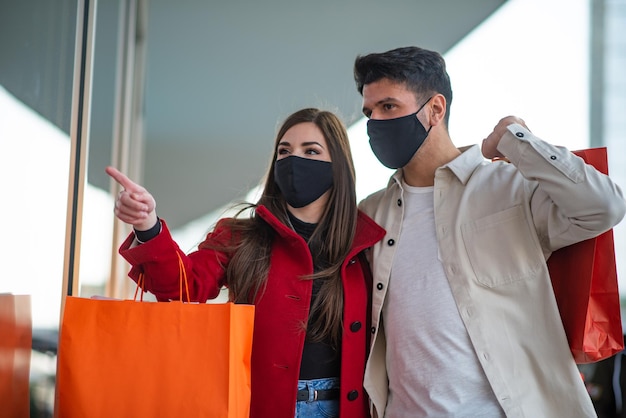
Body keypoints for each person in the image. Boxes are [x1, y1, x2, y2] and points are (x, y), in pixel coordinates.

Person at [352, 46, 626, 417]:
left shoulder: (508, 187)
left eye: (388, 107)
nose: (375, 123)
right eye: (369, 112)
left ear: (435, 109)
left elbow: (604, 207)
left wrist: (517, 140)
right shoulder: (370, 213)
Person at [106, 108, 385, 418]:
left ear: (338, 167)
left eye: (311, 151)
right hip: (261, 407)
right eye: (284, 151)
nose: (293, 160)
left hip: (344, 409)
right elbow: (183, 288)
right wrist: (148, 225)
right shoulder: (241, 235)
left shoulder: (365, 243)